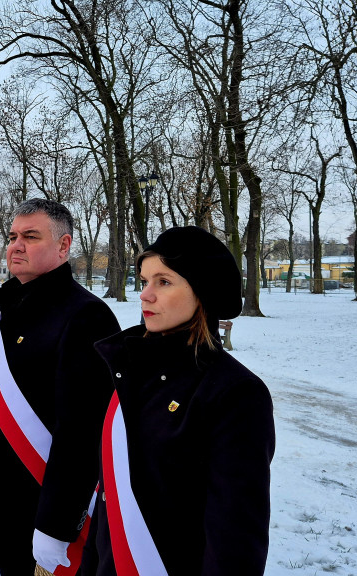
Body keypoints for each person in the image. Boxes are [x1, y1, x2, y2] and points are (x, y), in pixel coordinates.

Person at [85, 226, 275, 576]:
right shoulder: (130, 371)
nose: (145, 295)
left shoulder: (236, 393)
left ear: (203, 292)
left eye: (164, 282)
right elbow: (110, 498)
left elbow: (234, 541)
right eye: (144, 281)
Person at [0, 198, 121, 575]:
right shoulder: (10, 309)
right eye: (12, 237)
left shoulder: (86, 316)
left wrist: (57, 525)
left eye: (31, 236)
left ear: (63, 246)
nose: (16, 245)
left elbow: (82, 433)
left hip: (32, 510)